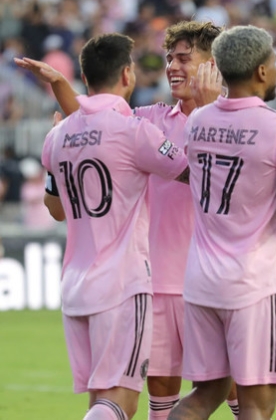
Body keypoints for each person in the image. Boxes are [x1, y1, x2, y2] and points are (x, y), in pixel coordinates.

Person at [16, 21, 241, 420]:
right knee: (159, 393)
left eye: (184, 58)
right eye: (169, 58)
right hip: (158, 282)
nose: (172, 66)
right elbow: (99, 127)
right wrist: (63, 89)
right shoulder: (148, 120)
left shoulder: (240, 123)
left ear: (213, 66)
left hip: (217, 278)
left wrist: (211, 114)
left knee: (237, 388)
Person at [168, 25, 276, 420]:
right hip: (253, 283)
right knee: (257, 405)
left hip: (201, 280)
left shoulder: (198, 121)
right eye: (274, 63)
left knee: (204, 395)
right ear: (262, 71)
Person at [40, 33, 189, 420]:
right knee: (121, 401)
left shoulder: (57, 136)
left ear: (85, 77)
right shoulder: (134, 131)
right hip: (121, 285)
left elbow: (55, 209)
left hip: (75, 288)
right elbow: (190, 172)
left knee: (101, 398)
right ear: (126, 74)